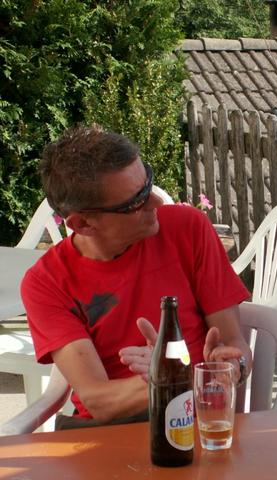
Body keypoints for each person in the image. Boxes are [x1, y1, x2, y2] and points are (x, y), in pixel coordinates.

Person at [21, 125, 252, 427]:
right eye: (135, 202)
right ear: (83, 224)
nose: (156, 202)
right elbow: (99, 401)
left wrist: (233, 365)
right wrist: (173, 375)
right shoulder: (47, 282)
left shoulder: (187, 228)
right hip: (112, 435)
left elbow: (234, 344)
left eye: (148, 185)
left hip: (198, 426)